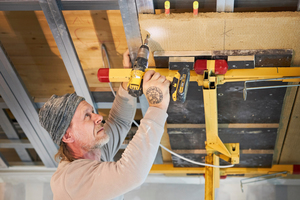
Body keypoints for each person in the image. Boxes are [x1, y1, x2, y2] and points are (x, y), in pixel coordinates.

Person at [38, 50, 171, 200]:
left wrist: (129, 81)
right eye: (87, 116)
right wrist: (157, 107)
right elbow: (130, 173)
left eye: (92, 112)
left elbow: (118, 122)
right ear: (67, 136)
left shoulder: (94, 153)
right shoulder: (70, 179)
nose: (99, 117)